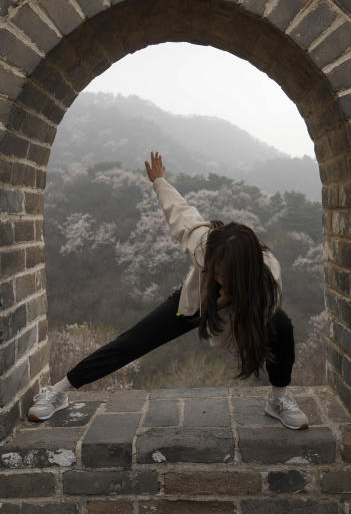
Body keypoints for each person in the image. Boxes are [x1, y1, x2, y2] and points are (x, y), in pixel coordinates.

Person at [27, 151, 309, 430]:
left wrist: (230, 301)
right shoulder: (204, 245)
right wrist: (159, 181)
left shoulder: (268, 274)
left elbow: (250, 327)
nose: (218, 277)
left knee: (282, 327)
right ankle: (60, 391)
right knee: (134, 340)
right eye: (214, 270)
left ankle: (279, 398)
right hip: (195, 301)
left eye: (225, 275)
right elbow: (181, 212)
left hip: (247, 309)